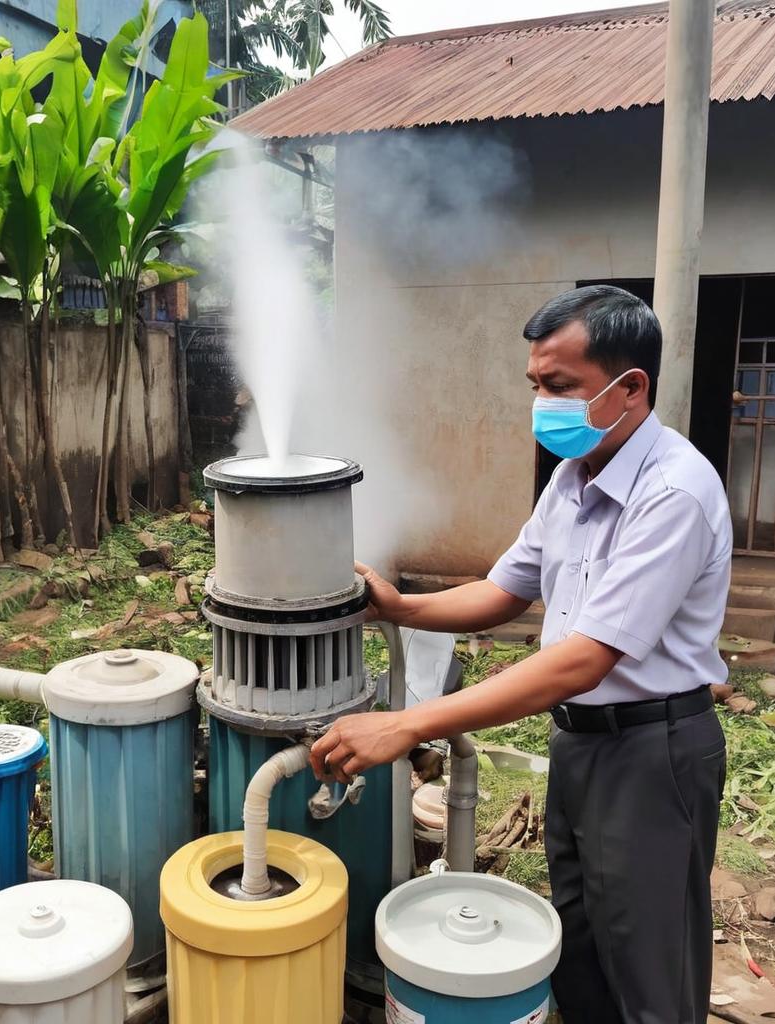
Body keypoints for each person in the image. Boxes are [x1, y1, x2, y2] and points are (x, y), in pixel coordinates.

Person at [310, 285, 732, 1024]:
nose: (542, 405)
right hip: (580, 743)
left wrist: (412, 723)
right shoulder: (574, 480)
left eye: (561, 387)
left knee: (648, 959)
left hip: (653, 751)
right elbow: (504, 590)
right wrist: (403, 606)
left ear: (630, 388)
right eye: (536, 386)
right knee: (581, 941)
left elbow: (584, 659)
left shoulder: (674, 494)